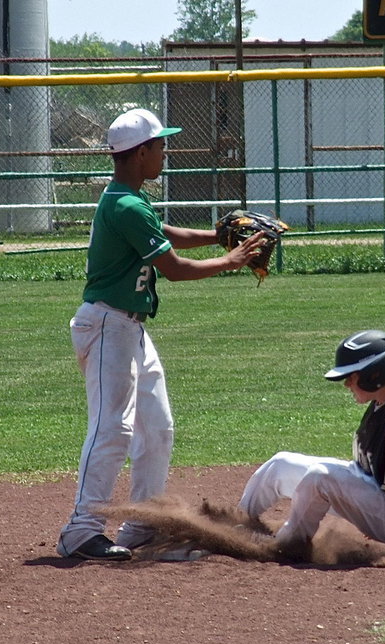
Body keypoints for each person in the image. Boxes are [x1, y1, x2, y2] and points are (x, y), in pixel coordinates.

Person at [57, 108, 264, 561]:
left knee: (157, 429)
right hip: (108, 325)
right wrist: (230, 261)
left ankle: (142, 526)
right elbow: (174, 268)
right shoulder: (126, 205)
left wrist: (217, 237)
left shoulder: (130, 200)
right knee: (112, 428)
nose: (165, 153)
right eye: (160, 145)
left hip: (128, 328)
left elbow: (168, 234)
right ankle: (81, 529)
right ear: (141, 152)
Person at [238, 330, 385, 559]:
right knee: (280, 463)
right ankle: (235, 524)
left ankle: (285, 546)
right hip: (376, 494)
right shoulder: (384, 400)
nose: (347, 384)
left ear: (374, 375)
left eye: (352, 377)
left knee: (319, 476)